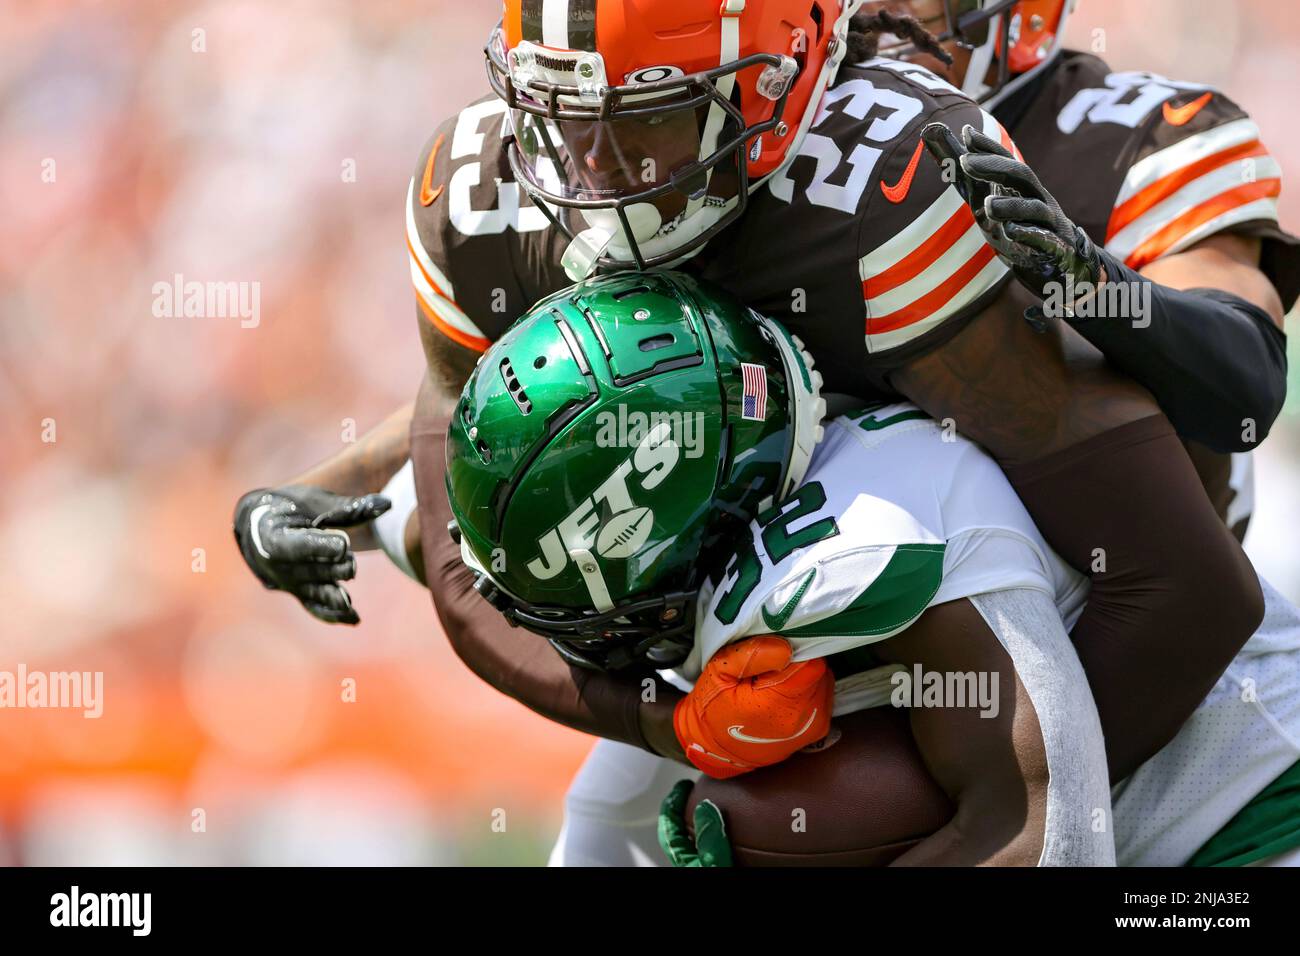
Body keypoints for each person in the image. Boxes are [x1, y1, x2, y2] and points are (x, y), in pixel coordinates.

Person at [234, 1, 1296, 783]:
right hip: (783, 661)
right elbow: (528, 410)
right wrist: (331, 484)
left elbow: (1240, 391)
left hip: (1123, 658)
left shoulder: (1119, 134)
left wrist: (1091, 286)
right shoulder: (673, 137)